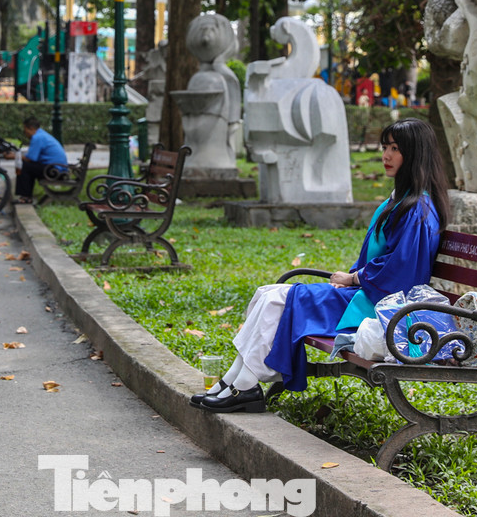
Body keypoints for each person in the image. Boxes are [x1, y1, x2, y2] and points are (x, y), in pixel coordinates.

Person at [191, 118, 449, 413]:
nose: (386, 156)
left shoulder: (418, 209)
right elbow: (378, 260)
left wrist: (353, 279)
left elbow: (400, 273)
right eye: (385, 147)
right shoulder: (399, 201)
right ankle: (235, 381)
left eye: (395, 149)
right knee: (267, 293)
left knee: (277, 299)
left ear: (415, 155)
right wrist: (351, 278)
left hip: (380, 308)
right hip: (366, 294)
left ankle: (245, 385)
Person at [11, 116, 69, 204]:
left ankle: (25, 197)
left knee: (24, 165)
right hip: (57, 169)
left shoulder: (37, 137)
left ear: (30, 128)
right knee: (28, 166)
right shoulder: (41, 134)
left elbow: (30, 159)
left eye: (25, 130)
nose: (25, 133)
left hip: (54, 171)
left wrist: (14, 156)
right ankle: (26, 195)